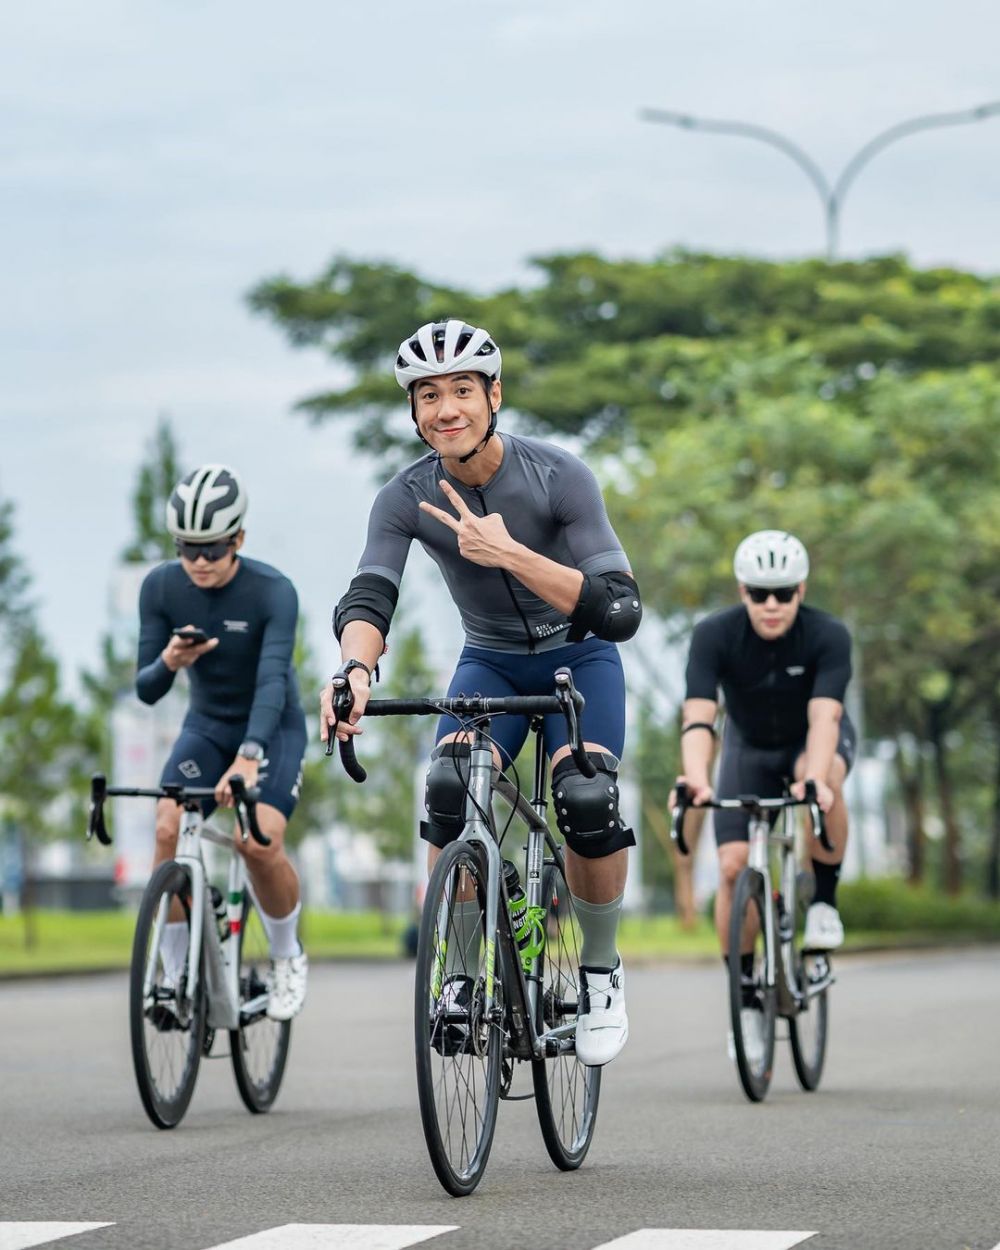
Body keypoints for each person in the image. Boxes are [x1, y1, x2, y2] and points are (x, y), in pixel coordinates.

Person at [322, 319, 642, 1066]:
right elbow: (369, 596)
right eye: (427, 396)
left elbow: (620, 608)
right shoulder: (404, 496)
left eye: (462, 390)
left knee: (588, 799)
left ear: (493, 395)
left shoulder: (559, 476)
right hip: (490, 665)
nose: (445, 409)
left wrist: (512, 554)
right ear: (413, 412)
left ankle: (598, 970)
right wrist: (355, 671)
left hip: (580, 658)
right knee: (448, 788)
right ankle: (463, 978)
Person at [135, 464, 309, 1020]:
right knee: (167, 827)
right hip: (206, 726)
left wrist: (251, 755)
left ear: (238, 538)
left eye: (212, 548)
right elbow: (146, 689)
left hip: (272, 727)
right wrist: (170, 659)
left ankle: (286, 956)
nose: (201, 562)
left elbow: (273, 679)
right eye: (189, 548)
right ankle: (171, 977)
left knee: (255, 843)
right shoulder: (161, 587)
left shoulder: (273, 591)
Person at [674, 530, 854, 980]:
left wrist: (812, 778)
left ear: (802, 591)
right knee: (733, 868)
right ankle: (746, 990)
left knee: (825, 777)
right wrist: (695, 777)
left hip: (809, 741)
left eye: (783, 593)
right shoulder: (713, 634)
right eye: (759, 594)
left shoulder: (828, 635)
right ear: (742, 591)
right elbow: (698, 717)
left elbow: (825, 719)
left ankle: (823, 905)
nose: (771, 605)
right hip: (747, 747)